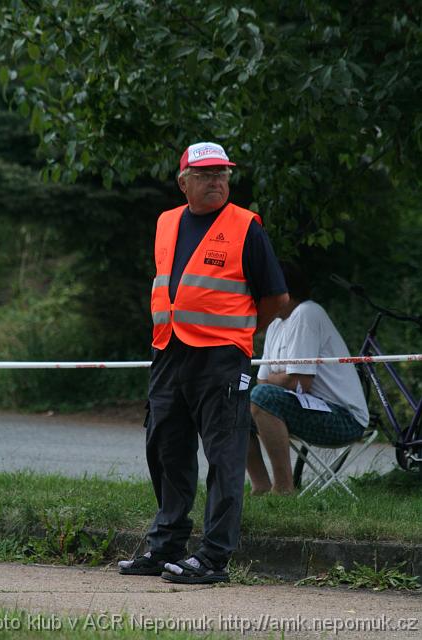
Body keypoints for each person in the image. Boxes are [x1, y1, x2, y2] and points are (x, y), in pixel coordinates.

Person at [118, 141, 289, 583]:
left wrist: (241, 336)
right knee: (166, 449)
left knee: (225, 456)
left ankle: (213, 557)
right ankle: (167, 547)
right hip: (169, 352)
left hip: (221, 358)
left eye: (223, 173)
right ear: (184, 182)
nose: (216, 181)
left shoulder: (246, 226)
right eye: (206, 174)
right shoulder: (165, 222)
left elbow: (276, 297)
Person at [247, 262, 369, 495]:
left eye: (263, 289)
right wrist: (279, 378)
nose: (257, 296)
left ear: (281, 291)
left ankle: (283, 489)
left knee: (262, 397)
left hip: (344, 418)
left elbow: (299, 383)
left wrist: (277, 379)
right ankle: (260, 487)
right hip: (311, 408)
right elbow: (265, 381)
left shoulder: (306, 313)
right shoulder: (275, 324)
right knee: (233, 405)